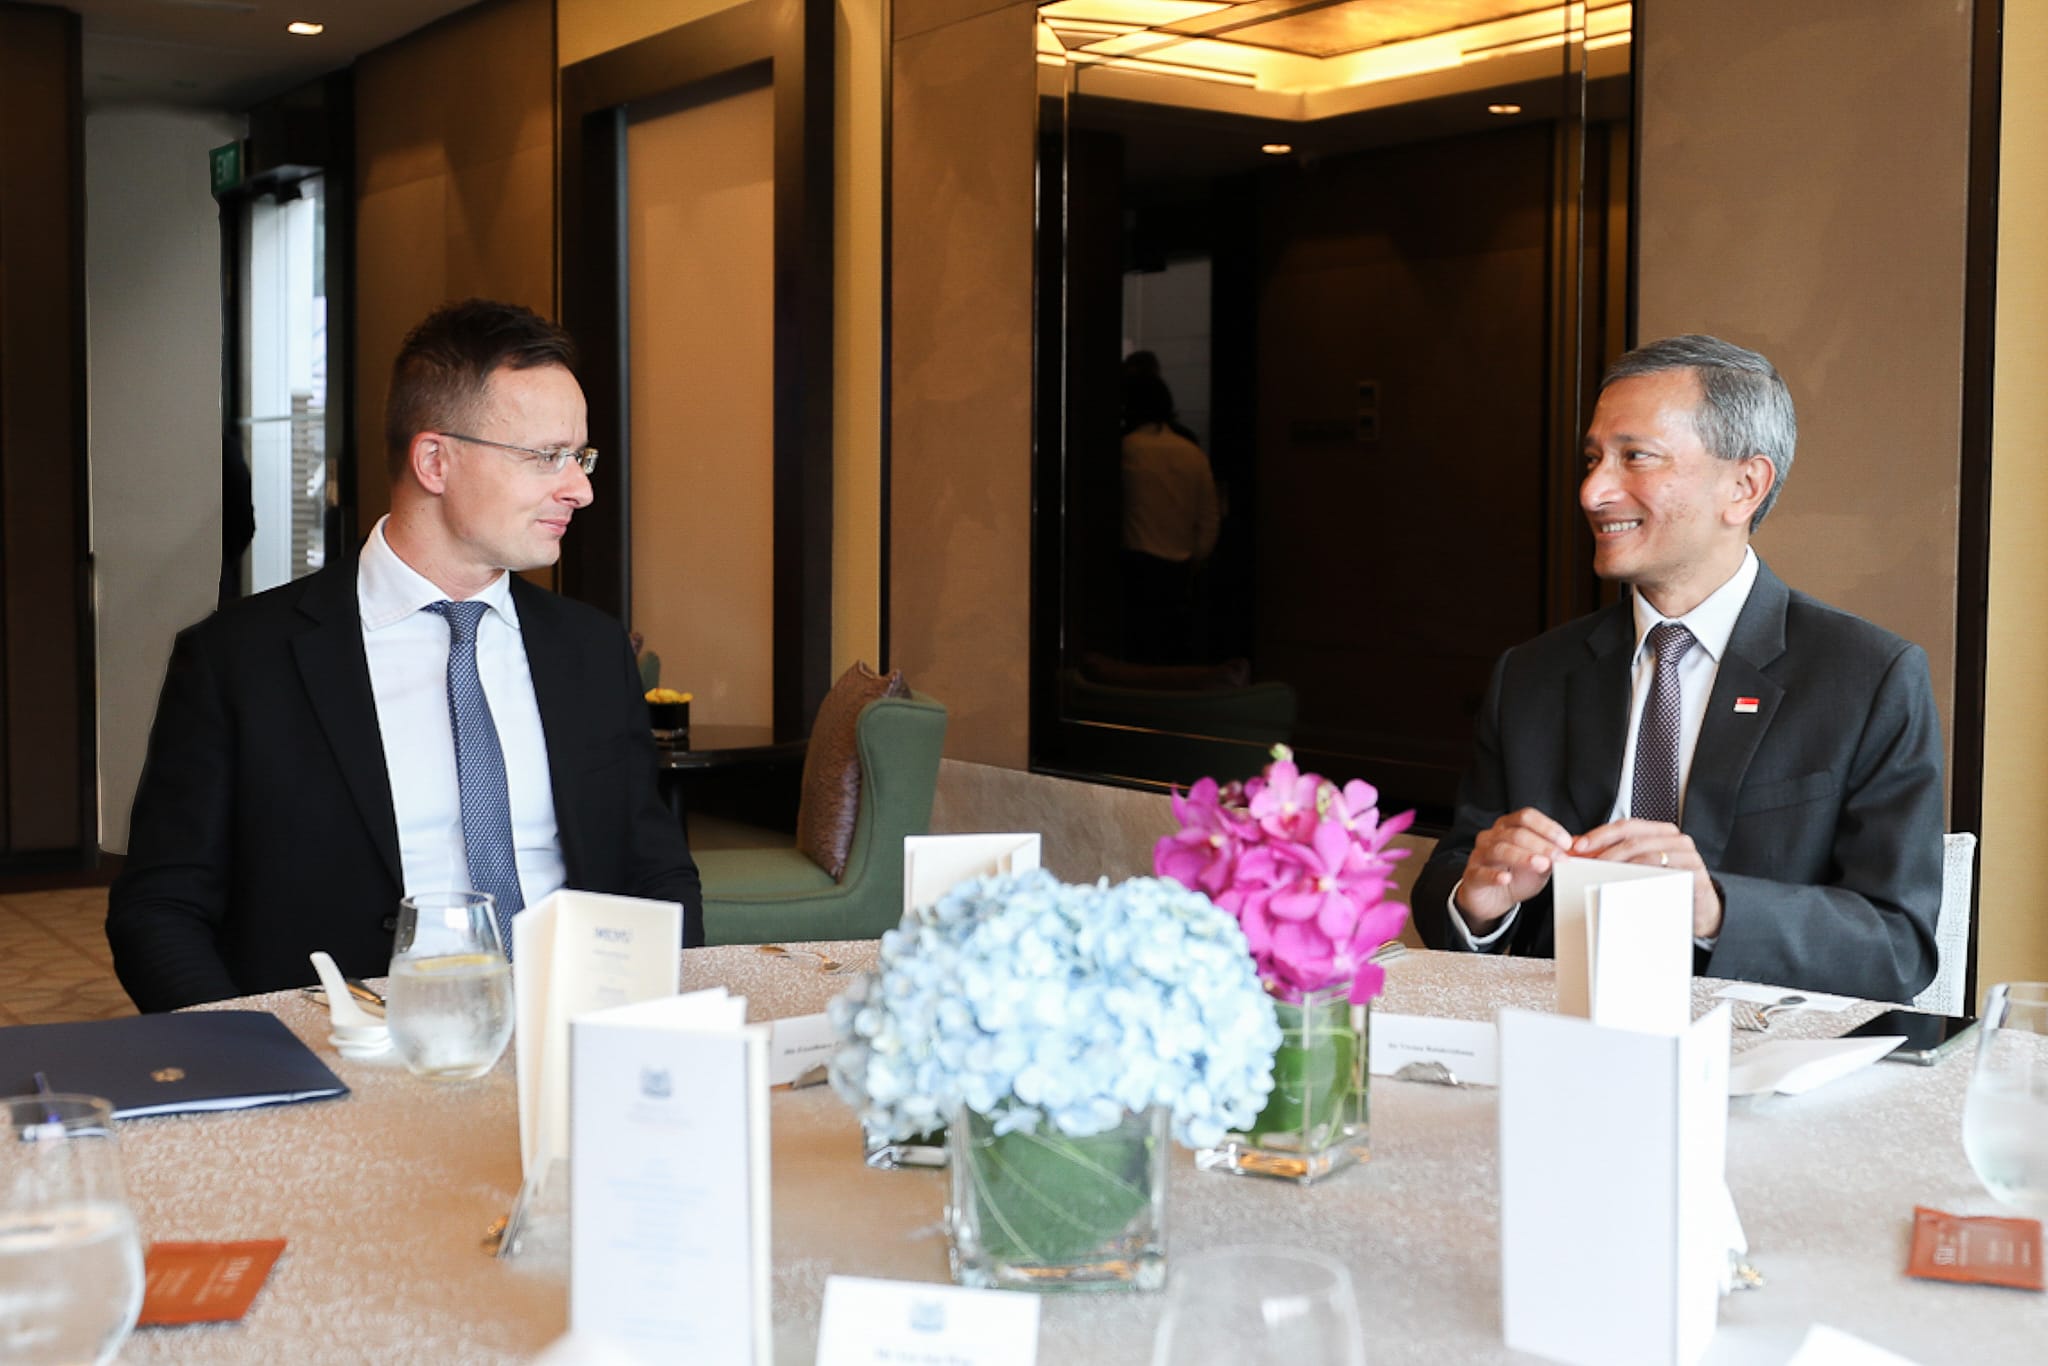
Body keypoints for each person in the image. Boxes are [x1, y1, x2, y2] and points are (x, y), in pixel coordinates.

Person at [108, 299, 703, 1012]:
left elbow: (658, 872)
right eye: (547, 457)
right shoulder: (240, 660)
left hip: (571, 1042)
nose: (579, 488)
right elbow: (159, 910)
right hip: (341, 1057)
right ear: (434, 460)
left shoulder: (590, 649)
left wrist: (658, 1019)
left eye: (579, 457)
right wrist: (253, 1058)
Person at [1410, 335, 1943, 1003]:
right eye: (1593, 459)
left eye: (1636, 457)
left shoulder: (1869, 677)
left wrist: (1715, 908)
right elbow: (1451, 885)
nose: (1594, 490)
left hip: (1760, 1068)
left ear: (1744, 487)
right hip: (1558, 1049)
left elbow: (1899, 945)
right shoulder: (1532, 675)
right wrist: (1479, 898)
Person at [1120, 369, 1219, 663]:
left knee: (1137, 650)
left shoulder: (1128, 450)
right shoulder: (1191, 453)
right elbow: (1209, 518)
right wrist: (1196, 558)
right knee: (1171, 650)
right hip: (1179, 567)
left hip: (1135, 566)